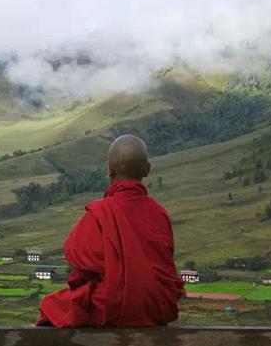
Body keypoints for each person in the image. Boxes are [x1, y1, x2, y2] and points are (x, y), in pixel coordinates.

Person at [37, 134, 185, 328]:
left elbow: (77, 261)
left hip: (111, 305)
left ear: (109, 169)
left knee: (52, 305)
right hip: (156, 306)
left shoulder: (100, 212)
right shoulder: (159, 213)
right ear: (147, 170)